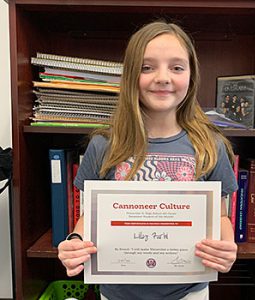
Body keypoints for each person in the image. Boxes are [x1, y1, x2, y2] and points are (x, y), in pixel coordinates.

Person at [58, 20, 238, 300]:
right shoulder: (103, 145)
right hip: (117, 292)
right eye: (147, 67)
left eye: (177, 67)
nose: (163, 77)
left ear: (191, 75)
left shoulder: (210, 145)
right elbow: (89, 216)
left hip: (188, 292)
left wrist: (227, 248)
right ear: (130, 75)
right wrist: (74, 242)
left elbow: (221, 216)